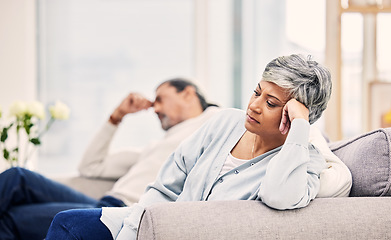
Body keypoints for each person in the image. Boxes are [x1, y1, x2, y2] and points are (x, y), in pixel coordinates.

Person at [46, 54, 350, 240]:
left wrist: (299, 129)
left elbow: (279, 196)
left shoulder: (304, 161)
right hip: (152, 223)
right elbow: (165, 186)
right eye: (257, 93)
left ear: (297, 114)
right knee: (69, 224)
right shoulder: (225, 122)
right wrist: (135, 231)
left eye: (271, 103)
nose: (254, 106)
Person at [0, 78, 221, 240]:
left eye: (161, 100)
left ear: (188, 94)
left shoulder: (212, 124)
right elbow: (90, 167)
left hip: (123, 212)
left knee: (11, 219)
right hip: (102, 203)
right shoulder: (154, 148)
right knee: (18, 176)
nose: (156, 109)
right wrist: (117, 116)